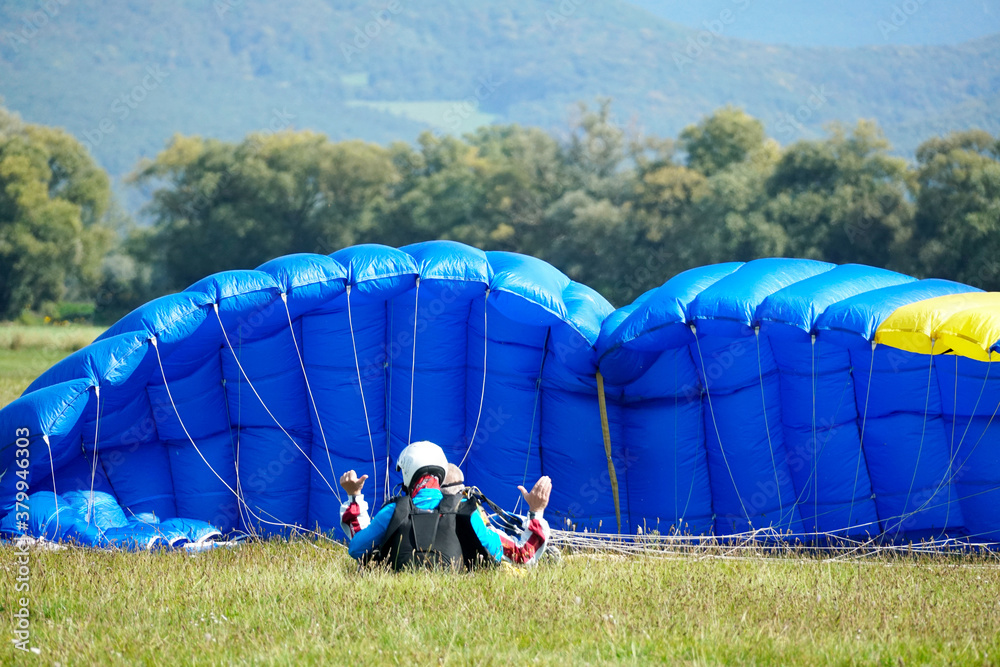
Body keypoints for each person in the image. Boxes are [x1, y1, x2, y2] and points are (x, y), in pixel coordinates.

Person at [339, 441, 551, 570]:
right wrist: (536, 512)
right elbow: (522, 555)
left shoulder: (393, 511)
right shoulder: (466, 511)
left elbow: (357, 547)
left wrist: (354, 497)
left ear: (407, 474)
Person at [440, 463, 550, 564]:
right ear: (461, 491)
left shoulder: (424, 515)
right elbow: (522, 555)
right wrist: (536, 511)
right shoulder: (471, 520)